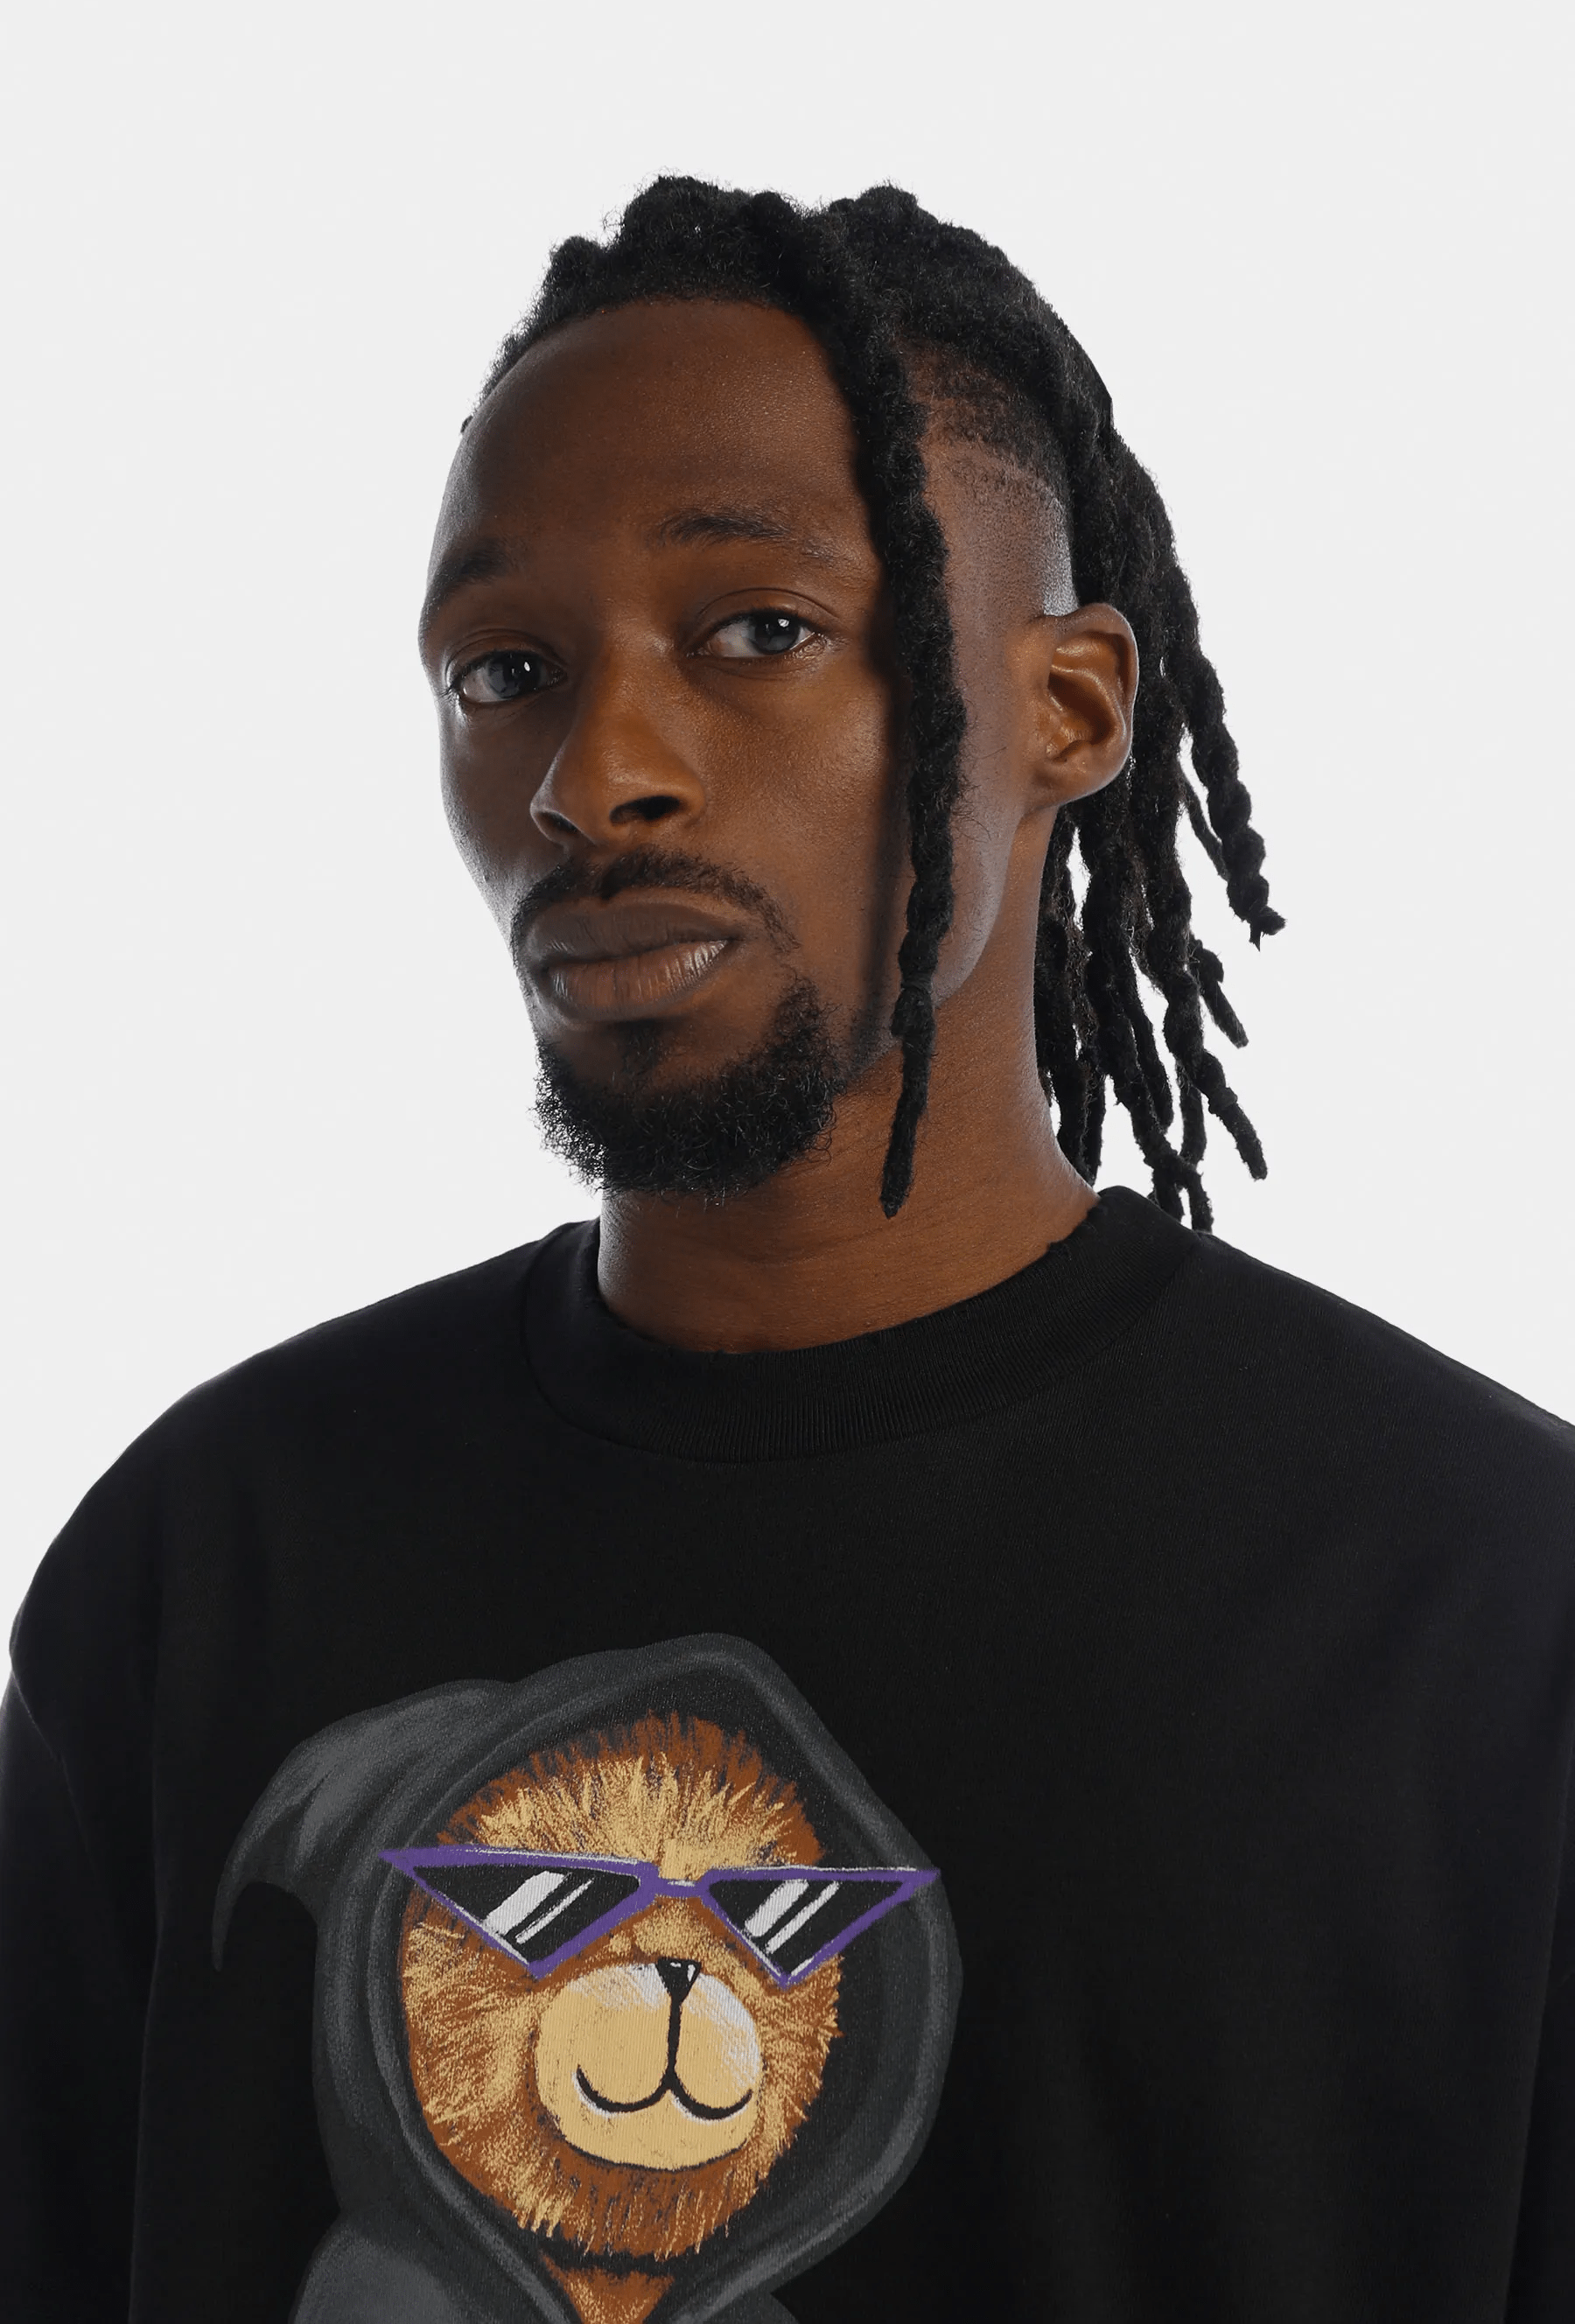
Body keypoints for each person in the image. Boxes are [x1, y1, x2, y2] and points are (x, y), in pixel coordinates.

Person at [2, 177, 1570, 2324]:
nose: (593, 775)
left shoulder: (1480, 1609)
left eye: (756, 631)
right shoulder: (206, 1565)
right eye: (507, 671)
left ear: (1069, 707)